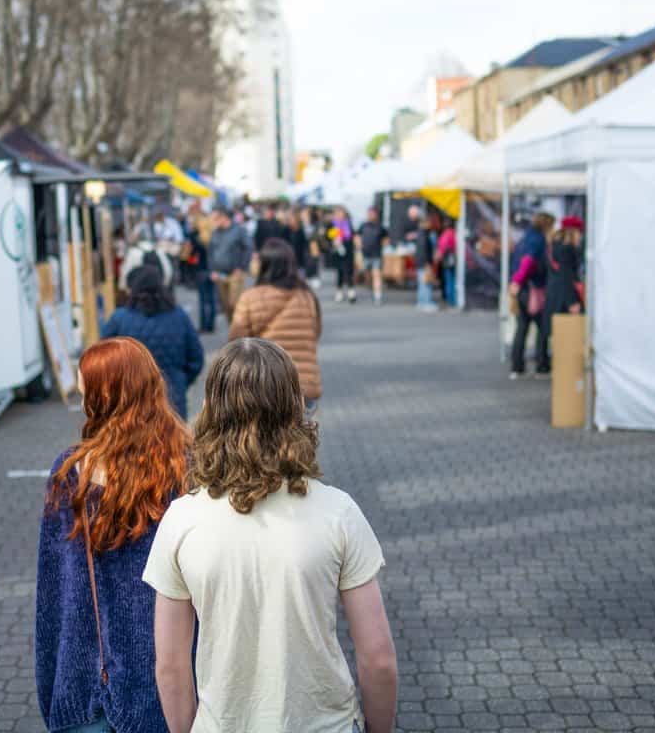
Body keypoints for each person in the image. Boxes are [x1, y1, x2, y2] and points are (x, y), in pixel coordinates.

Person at [143, 339, 398, 733]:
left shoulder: (181, 520)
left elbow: (171, 666)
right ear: (294, 407)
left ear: (212, 411)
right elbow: (378, 659)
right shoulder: (338, 512)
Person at [36, 337, 190, 733]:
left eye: (85, 389)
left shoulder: (72, 473)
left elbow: (53, 594)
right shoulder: (186, 467)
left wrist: (51, 687)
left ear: (102, 398)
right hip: (173, 683)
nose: (80, 396)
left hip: (85, 683)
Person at [229, 238, 322, 410]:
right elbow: (315, 333)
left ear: (264, 265)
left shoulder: (250, 297)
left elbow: (236, 343)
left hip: (264, 385)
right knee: (302, 435)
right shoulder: (307, 296)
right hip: (304, 385)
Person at [101, 265, 204, 419]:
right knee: (174, 441)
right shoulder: (179, 316)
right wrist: (181, 380)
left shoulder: (119, 318)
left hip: (131, 400)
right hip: (172, 398)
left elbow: (103, 358)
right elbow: (196, 358)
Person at [508, 212, 555, 378]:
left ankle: (517, 366)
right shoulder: (538, 240)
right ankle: (542, 365)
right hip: (531, 289)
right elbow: (528, 262)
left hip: (522, 289)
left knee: (522, 327)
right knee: (542, 328)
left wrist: (515, 283)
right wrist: (518, 281)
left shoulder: (525, 238)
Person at [538, 216, 585, 372]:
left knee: (550, 331)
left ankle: (544, 363)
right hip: (564, 295)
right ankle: (563, 366)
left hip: (554, 292)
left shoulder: (553, 245)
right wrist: (572, 301)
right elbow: (566, 276)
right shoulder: (566, 249)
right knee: (566, 333)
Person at [208, 205, 252, 323]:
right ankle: (233, 332)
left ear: (223, 218)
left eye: (215, 218)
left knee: (235, 304)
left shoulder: (239, 230)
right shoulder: (215, 232)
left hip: (235, 274)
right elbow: (211, 252)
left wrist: (242, 267)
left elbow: (248, 248)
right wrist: (212, 270)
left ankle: (241, 331)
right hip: (219, 274)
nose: (213, 222)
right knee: (226, 306)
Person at [188, 219, 217, 334]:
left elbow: (190, 256)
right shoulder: (214, 237)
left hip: (201, 270)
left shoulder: (196, 239)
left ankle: (204, 325)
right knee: (212, 299)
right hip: (213, 270)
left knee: (203, 299)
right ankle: (211, 324)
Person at [357, 206, 388, 306]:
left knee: (376, 275)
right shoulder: (363, 225)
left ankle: (377, 296)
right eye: (369, 213)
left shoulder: (380, 226)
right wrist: (359, 245)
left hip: (376, 254)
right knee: (368, 274)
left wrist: (383, 247)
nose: (370, 215)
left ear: (376, 214)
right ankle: (372, 287)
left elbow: (386, 239)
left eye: (372, 213)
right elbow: (357, 236)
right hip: (365, 254)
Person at [328, 206, 356, 303]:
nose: (339, 215)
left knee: (349, 272)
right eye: (337, 213)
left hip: (348, 251)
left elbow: (352, 237)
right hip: (338, 252)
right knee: (339, 272)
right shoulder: (333, 225)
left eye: (341, 213)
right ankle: (339, 291)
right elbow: (330, 238)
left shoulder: (348, 224)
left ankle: (351, 291)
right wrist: (334, 241)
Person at [414, 211, 438, 312]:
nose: (430, 224)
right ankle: (426, 303)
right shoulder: (425, 234)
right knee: (426, 283)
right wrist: (428, 263)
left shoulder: (420, 233)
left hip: (420, 261)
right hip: (424, 262)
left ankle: (421, 302)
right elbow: (425, 249)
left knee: (422, 283)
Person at [436, 220, 457, 307]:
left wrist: (438, 256)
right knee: (453, 279)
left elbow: (442, 247)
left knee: (449, 279)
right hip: (454, 258)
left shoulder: (447, 233)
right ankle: (453, 299)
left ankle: (450, 300)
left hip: (448, 260)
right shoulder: (455, 233)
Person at [286, 208, 309, 276]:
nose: (292, 221)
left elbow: (305, 242)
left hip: (299, 256)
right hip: (288, 255)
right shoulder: (286, 229)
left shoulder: (301, 230)